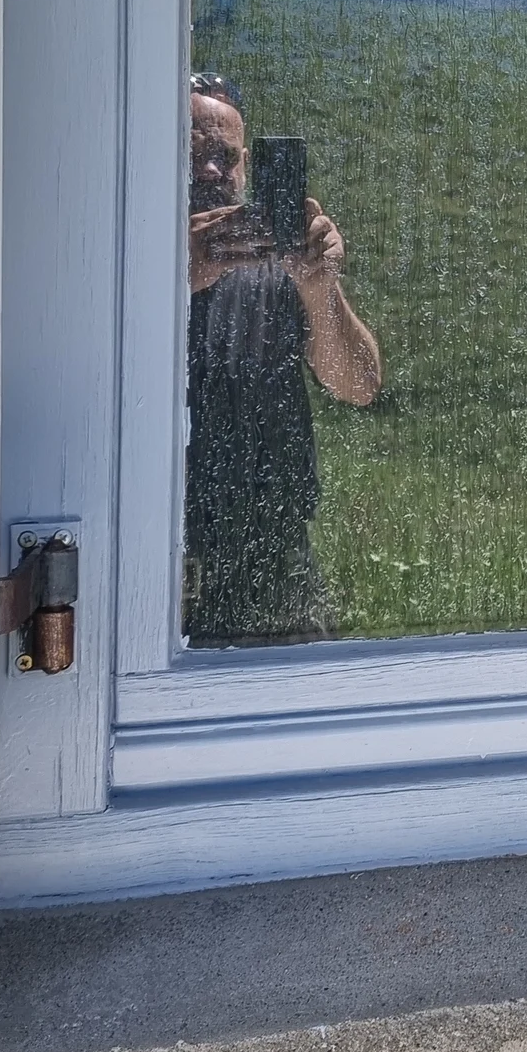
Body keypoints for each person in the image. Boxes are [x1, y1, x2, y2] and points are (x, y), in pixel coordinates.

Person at [184, 74, 382, 643]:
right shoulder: (117, 260)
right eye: (190, 156)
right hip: (147, 552)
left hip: (273, 553)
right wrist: (170, 274)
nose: (211, 172)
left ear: (246, 166)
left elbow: (359, 385)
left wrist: (319, 288)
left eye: (225, 157)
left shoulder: (280, 265)